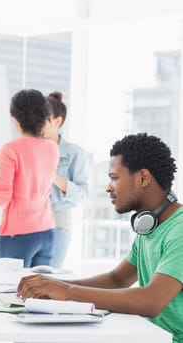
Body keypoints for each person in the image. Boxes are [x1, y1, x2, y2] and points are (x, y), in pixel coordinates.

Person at [18, 133, 183, 343]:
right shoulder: (151, 227)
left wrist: (67, 291)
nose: (108, 187)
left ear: (143, 178)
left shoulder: (179, 229)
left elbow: (150, 301)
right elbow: (117, 279)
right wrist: (51, 286)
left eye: (114, 177)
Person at [0, 89, 59, 267]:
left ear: (15, 119)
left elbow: (1, 199)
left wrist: (0, 166)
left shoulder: (10, 149)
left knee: (11, 292)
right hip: (46, 232)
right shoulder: (52, 148)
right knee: (40, 293)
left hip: (17, 235)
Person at [42, 91, 88, 268]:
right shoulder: (29, 148)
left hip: (57, 221)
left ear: (57, 121)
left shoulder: (73, 152)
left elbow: (83, 194)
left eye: (42, 119)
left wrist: (52, 177)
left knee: (48, 278)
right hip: (29, 220)